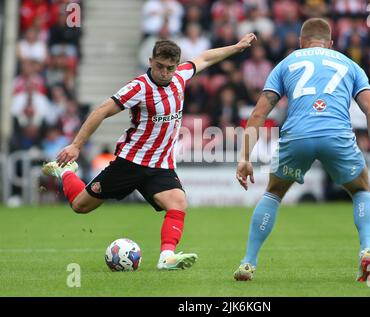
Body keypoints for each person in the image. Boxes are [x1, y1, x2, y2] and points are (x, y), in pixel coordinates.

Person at [42, 33, 257, 271]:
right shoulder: (139, 87)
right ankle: (66, 172)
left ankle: (166, 257)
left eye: (170, 68)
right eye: (160, 67)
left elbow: (205, 57)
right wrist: (76, 145)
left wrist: (236, 47)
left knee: (178, 203)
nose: (165, 72)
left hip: (161, 165)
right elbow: (102, 110)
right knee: (80, 206)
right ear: (150, 61)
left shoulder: (181, 76)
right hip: (131, 162)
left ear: (177, 66)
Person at [233, 18, 370, 282]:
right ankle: (366, 250)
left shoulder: (287, 63)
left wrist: (245, 157)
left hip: (297, 137)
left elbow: (259, 113)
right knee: (361, 190)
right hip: (336, 136)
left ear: (301, 43)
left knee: (273, 193)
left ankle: (248, 262)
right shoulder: (350, 65)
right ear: (331, 44)